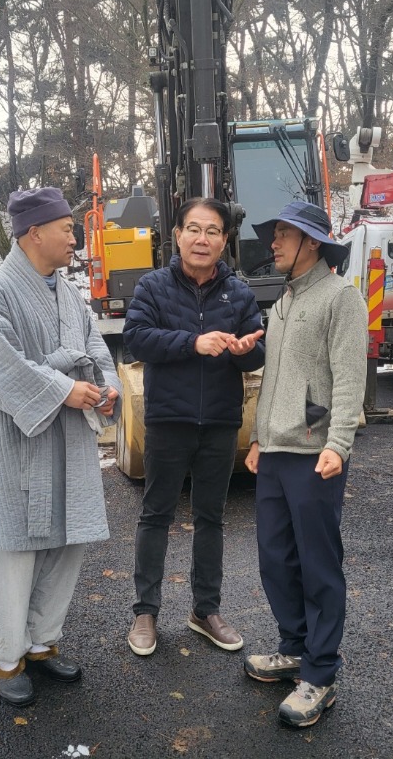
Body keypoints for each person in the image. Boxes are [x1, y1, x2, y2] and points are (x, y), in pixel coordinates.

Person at [0, 186, 122, 707]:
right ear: (34, 233)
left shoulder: (66, 291)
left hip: (68, 437)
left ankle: (40, 642)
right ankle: (4, 657)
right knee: (11, 551)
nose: (74, 237)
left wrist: (106, 383)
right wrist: (63, 388)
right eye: (67, 228)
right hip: (17, 443)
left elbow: (94, 343)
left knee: (64, 542)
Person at [242, 201, 368, 728]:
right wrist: (257, 438)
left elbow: (349, 377)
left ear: (311, 243)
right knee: (275, 558)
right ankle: (294, 647)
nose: (272, 243)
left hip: (315, 454)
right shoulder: (285, 300)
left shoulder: (342, 297)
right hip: (274, 452)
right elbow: (274, 378)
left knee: (319, 566)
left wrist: (339, 443)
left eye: (283, 235)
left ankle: (320, 674)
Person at [123, 196, 265, 658]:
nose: (202, 239)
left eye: (213, 232)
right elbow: (136, 338)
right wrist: (193, 342)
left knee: (211, 517)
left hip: (221, 421)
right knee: (156, 514)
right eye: (194, 229)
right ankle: (146, 611)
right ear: (178, 235)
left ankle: (206, 610)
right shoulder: (153, 287)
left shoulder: (238, 293)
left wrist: (245, 349)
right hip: (168, 419)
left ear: (224, 241)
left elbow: (259, 350)